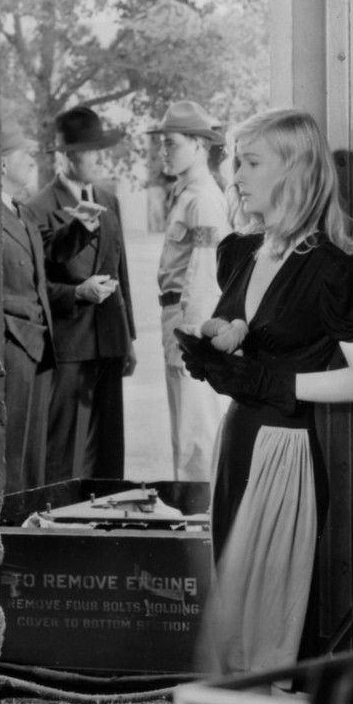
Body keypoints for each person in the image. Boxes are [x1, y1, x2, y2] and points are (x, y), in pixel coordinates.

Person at [179, 108, 353, 704]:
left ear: (293, 169)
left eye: (250, 162)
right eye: (235, 161)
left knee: (277, 649)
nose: (235, 174)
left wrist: (275, 381)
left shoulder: (331, 269)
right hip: (240, 447)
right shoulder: (240, 251)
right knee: (246, 647)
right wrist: (219, 345)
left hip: (285, 454)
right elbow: (245, 331)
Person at [28, 106, 136, 482]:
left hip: (109, 341)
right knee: (65, 451)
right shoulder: (38, 209)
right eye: (91, 152)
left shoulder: (108, 199)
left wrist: (128, 339)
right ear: (67, 156)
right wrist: (77, 293)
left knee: (108, 450)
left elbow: (120, 271)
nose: (99, 159)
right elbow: (35, 287)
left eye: (100, 150)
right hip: (69, 346)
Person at [146, 101, 233, 482]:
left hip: (190, 322)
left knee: (197, 434)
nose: (163, 151)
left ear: (199, 145)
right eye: (162, 143)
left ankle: (202, 513)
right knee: (186, 431)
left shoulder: (204, 199)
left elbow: (205, 275)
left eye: (172, 143)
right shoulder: (186, 193)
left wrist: (193, 338)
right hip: (176, 318)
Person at [0, 125, 84, 494]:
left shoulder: (20, 211)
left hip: (38, 346)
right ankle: (11, 522)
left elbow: (43, 264)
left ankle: (27, 518)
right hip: (11, 344)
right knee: (11, 452)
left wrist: (81, 227)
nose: (33, 161)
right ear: (2, 164)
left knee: (33, 454)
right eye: (25, 154)